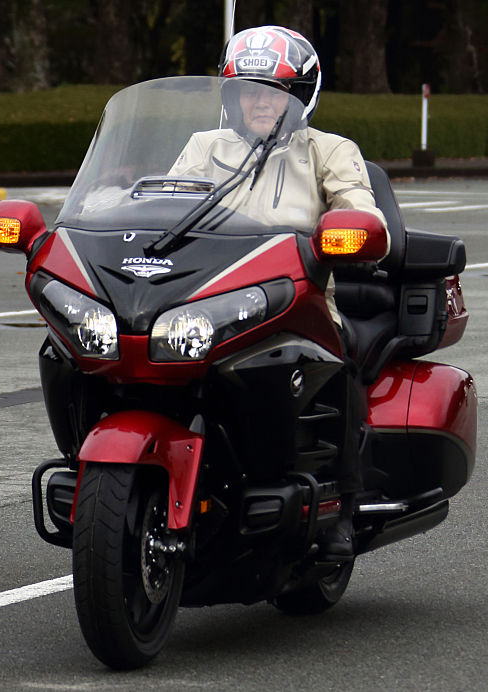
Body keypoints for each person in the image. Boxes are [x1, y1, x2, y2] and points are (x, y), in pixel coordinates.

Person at [171, 25, 390, 560]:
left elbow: (359, 206)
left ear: (299, 96)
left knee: (336, 366)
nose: (262, 102)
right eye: (250, 91)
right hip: (208, 298)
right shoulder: (205, 146)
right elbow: (165, 205)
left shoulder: (328, 150)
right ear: (232, 97)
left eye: (275, 92)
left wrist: (353, 226)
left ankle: (344, 506)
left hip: (297, 300)